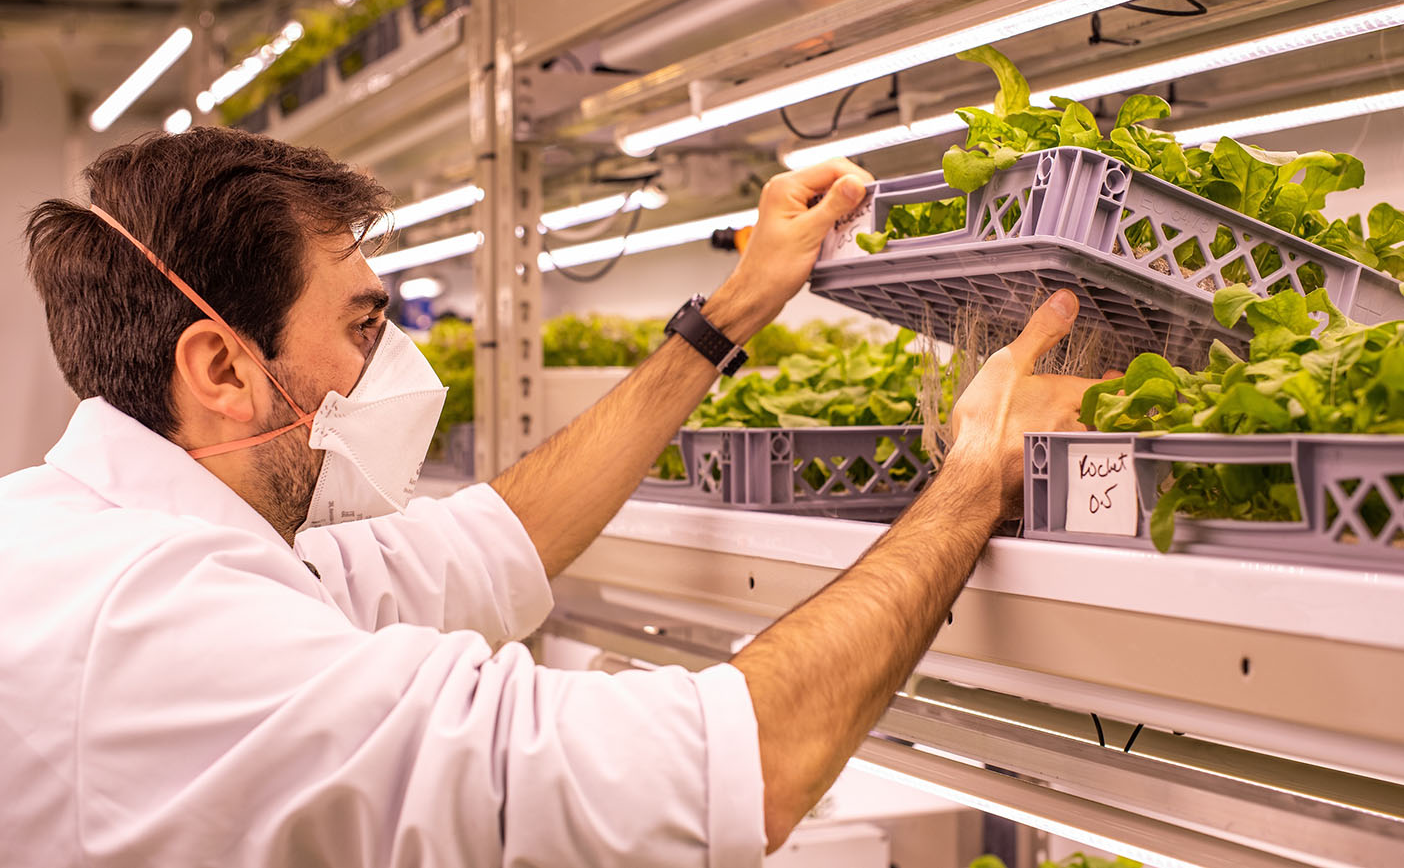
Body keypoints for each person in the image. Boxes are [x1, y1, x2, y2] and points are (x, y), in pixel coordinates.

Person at [2, 127, 1095, 866]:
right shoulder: (167, 632)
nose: (390, 364)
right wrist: (973, 476)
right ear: (222, 368)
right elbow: (740, 767)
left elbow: (490, 542)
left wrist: (732, 312)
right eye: (361, 325)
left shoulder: (124, 534)